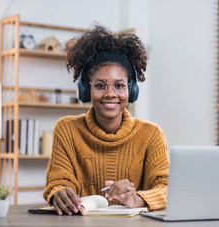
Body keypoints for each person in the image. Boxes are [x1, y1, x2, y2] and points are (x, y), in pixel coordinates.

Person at [43, 25, 169, 216]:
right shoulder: (67, 129)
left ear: (132, 90)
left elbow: (167, 188)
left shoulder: (151, 134)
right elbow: (59, 180)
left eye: (119, 86)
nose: (110, 94)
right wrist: (59, 192)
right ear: (85, 89)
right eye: (100, 85)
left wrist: (140, 198)